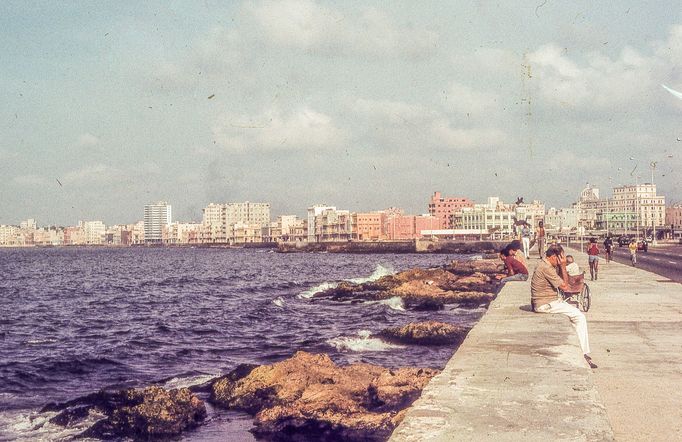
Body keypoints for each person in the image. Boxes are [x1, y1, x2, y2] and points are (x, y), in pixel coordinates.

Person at [530, 244, 596, 368]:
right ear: (554, 256)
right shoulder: (546, 268)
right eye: (561, 257)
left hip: (545, 302)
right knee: (580, 317)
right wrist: (563, 266)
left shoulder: (544, 264)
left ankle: (581, 351)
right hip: (546, 304)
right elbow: (566, 287)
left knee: (574, 317)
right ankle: (584, 353)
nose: (562, 260)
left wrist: (560, 266)